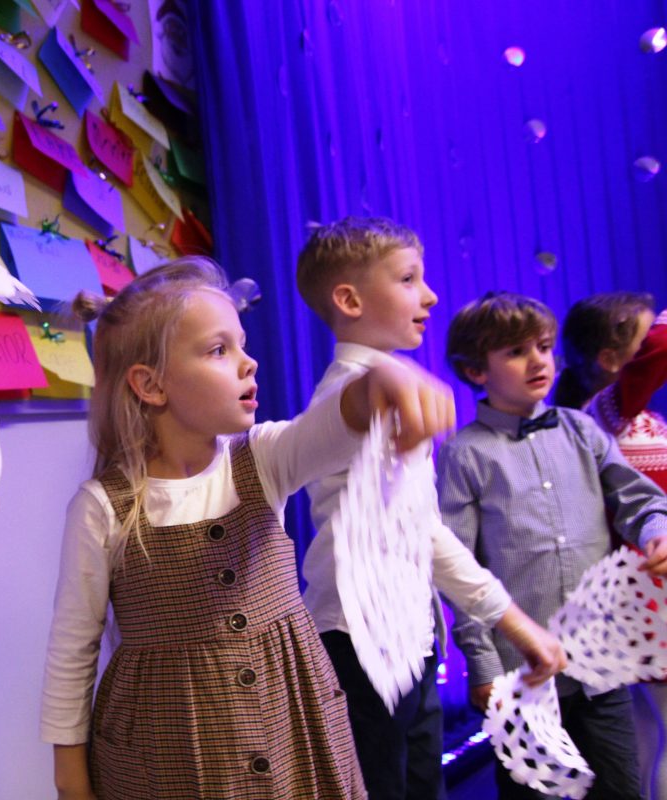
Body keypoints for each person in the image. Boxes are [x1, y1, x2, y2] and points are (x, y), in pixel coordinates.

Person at [41, 256, 459, 799]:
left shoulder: (262, 459)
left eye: (242, 344)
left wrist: (377, 381)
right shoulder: (102, 507)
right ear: (151, 384)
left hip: (292, 729)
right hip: (168, 753)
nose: (249, 363)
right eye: (219, 350)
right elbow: (72, 652)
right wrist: (70, 778)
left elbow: (329, 428)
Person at [295, 217, 566, 800]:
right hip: (362, 643)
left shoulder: (383, 388)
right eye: (408, 279)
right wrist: (514, 622)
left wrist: (509, 622)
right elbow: (356, 409)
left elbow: (420, 532)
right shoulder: (355, 396)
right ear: (350, 300)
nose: (431, 295)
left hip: (407, 641)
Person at [438, 290, 667, 799]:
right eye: (516, 352)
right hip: (522, 678)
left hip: (600, 663)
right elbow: (459, 569)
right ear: (475, 370)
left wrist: (656, 531)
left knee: (621, 789)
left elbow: (640, 501)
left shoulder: (582, 430)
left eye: (543, 346)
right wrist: (482, 665)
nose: (538, 360)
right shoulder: (465, 455)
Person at [559, 292, 667, 798]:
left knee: (646, 735)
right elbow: (659, 353)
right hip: (646, 601)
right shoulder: (605, 413)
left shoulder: (629, 420)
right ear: (609, 359)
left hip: (644, 595)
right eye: (639, 344)